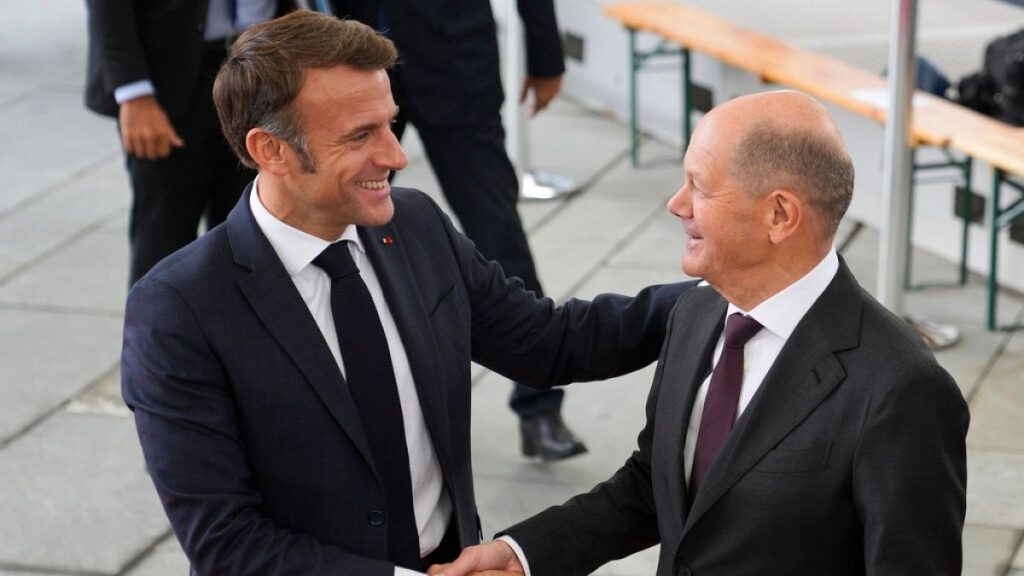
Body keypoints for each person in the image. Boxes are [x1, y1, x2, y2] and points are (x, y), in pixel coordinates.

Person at [120, 11, 693, 575]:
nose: (396, 156)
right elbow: (228, 544)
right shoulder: (178, 309)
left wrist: (719, 294)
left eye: (390, 124)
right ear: (271, 150)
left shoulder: (414, 224)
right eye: (360, 136)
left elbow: (550, 342)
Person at [431, 91, 970, 576]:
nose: (676, 204)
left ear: (779, 214)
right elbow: (654, 487)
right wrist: (524, 553)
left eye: (700, 187)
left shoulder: (901, 389)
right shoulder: (696, 316)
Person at [327, 0, 585, 461]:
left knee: (501, 242)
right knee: (330, 237)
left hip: (457, 66)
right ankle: (332, 407)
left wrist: (547, 57)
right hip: (349, 67)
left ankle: (540, 408)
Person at [84, 0, 291, 285]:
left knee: (251, 229)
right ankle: (158, 327)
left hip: (264, 66)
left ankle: (237, 326)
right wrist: (133, 93)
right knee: (165, 232)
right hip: (169, 79)